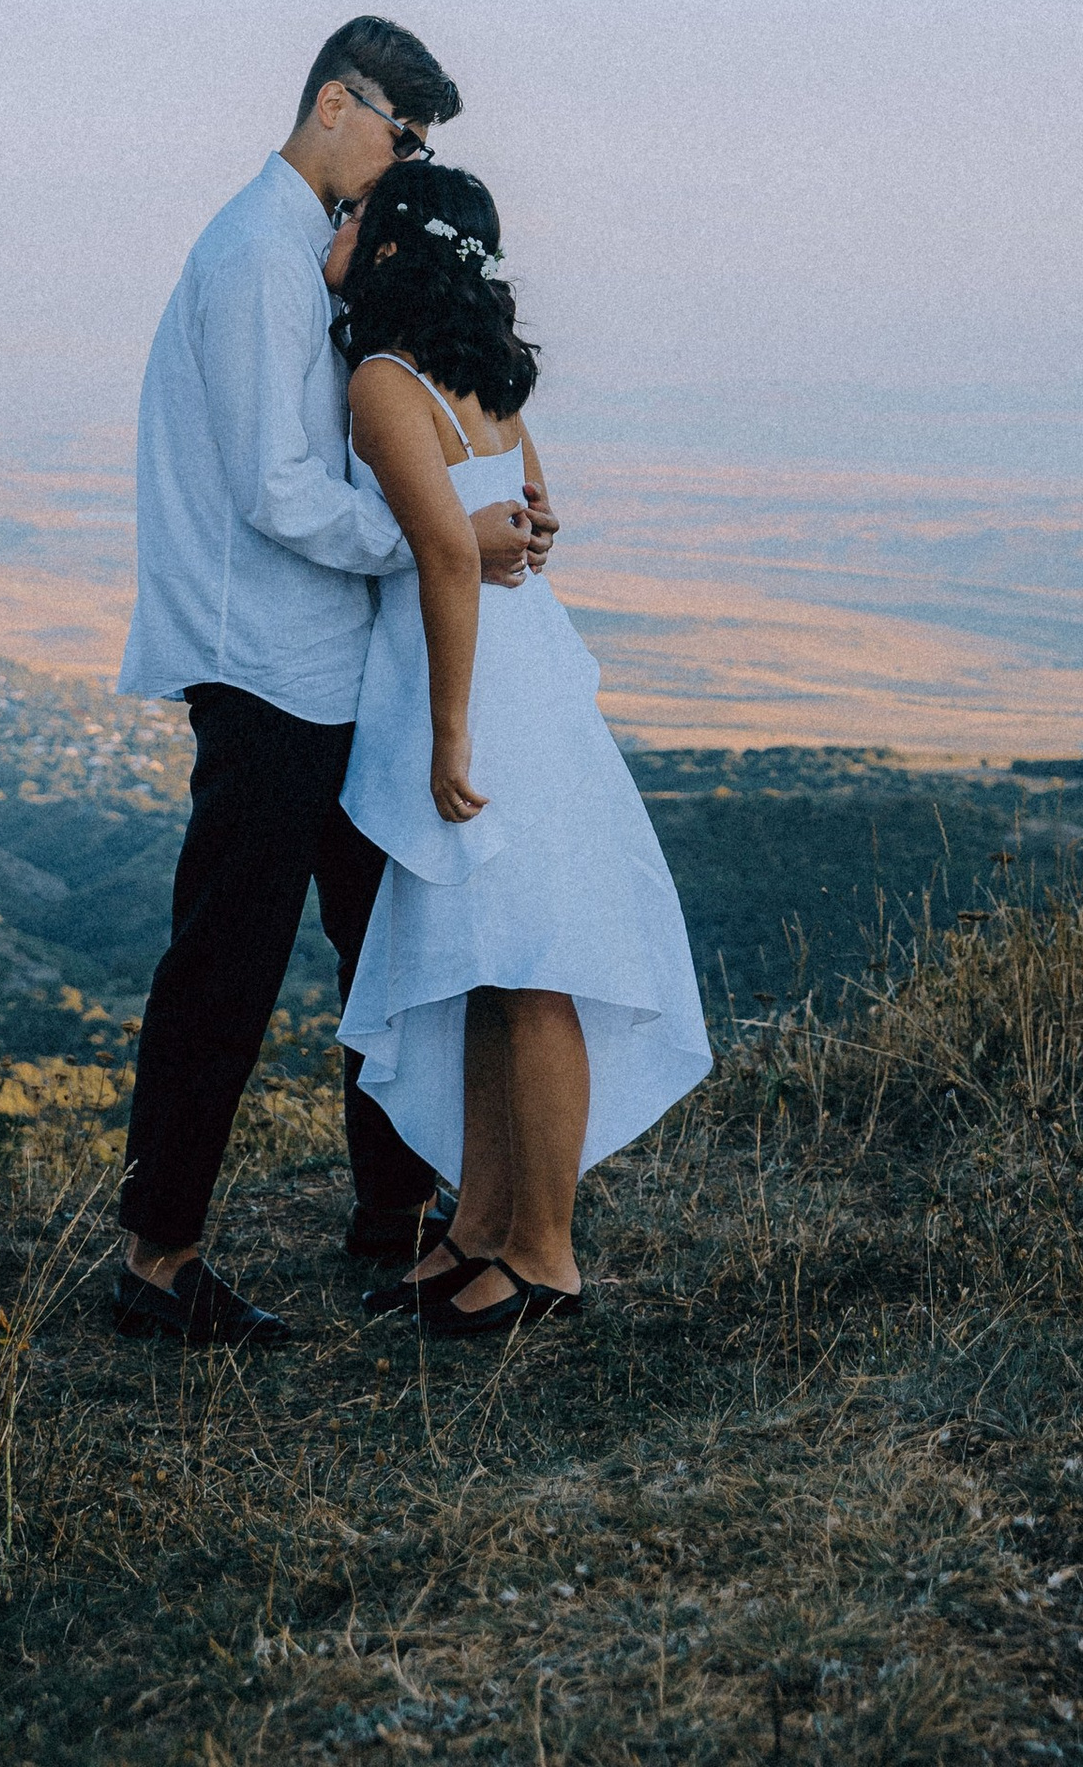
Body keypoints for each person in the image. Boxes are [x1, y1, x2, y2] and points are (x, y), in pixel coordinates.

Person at [112, 19, 556, 1349]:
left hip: (330, 666)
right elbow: (279, 491)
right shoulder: (257, 261)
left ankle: (398, 1223)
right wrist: (442, 543)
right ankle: (159, 1258)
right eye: (402, 136)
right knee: (228, 970)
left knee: (386, 957)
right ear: (335, 104)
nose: (402, 165)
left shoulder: (295, 257)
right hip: (268, 672)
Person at [329, 157, 710, 1334]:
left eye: (355, 220)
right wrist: (515, 534)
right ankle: (481, 1229)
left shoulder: (386, 383)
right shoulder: (488, 384)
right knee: (493, 969)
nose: (334, 233)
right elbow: (537, 514)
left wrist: (447, 732)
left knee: (533, 967)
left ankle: (545, 1255)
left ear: (395, 251)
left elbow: (449, 555)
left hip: (483, 692)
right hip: (534, 678)